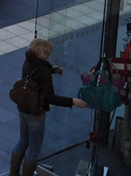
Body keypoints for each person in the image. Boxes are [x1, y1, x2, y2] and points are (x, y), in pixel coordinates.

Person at [9, 38, 89, 176]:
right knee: (34, 148)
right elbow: (50, 98)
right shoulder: (44, 71)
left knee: (23, 141)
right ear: (43, 53)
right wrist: (72, 101)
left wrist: (52, 70)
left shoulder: (28, 61)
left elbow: (35, 73)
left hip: (23, 108)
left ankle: (13, 173)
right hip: (35, 113)